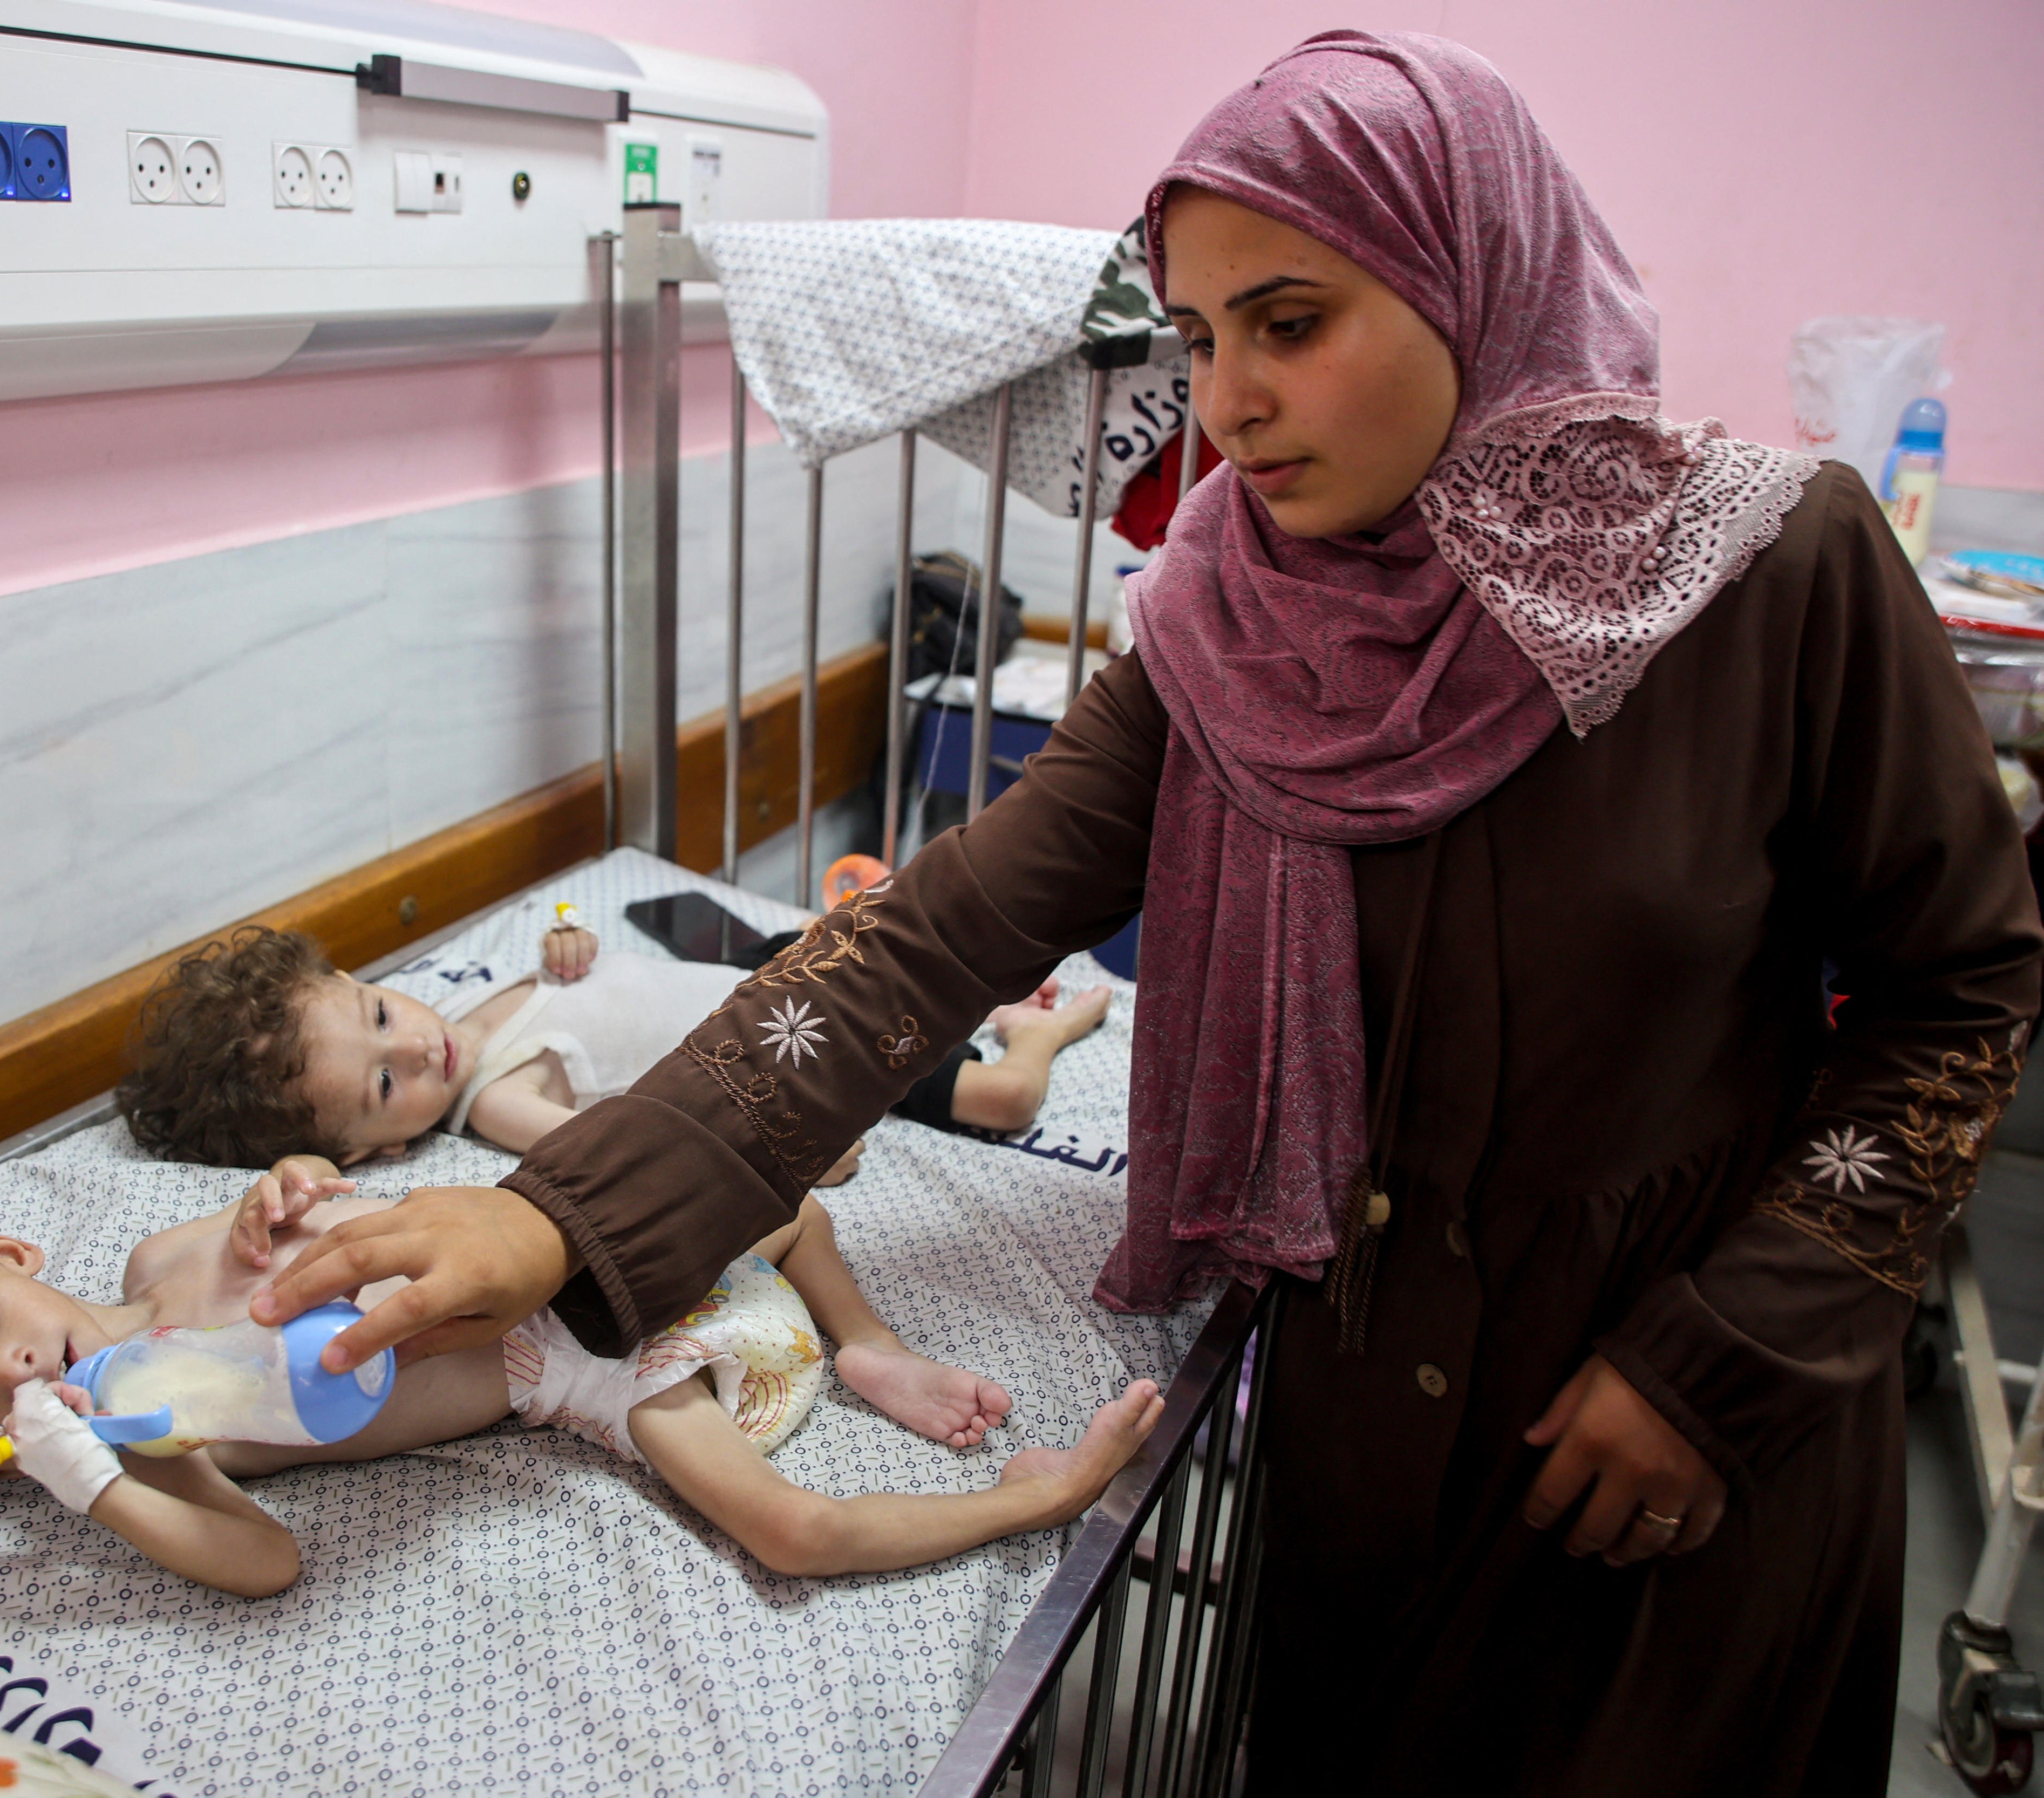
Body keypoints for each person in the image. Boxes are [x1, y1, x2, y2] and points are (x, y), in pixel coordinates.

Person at [250, 31, 2044, 1796]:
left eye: (1289, 322)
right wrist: (553, 1220)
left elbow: (1957, 992)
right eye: (1194, 339)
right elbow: (929, 937)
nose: (1226, 403)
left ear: (1470, 276)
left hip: (1673, 1433)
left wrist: (1723, 1357)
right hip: (1365, 1427)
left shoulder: (1768, 572)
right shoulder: (1227, 635)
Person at [0, 1172, 1163, 1599]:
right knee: (788, 1529)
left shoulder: (163, 1246)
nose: (10, 1371)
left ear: (2, 1246)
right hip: (561, 1364)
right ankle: (1030, 1495)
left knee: (778, 1199)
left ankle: (864, 1341)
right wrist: (84, 1470)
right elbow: (263, 1560)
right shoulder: (148, 1431)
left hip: (534, 1256)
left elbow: (307, 1218)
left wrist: (289, 1196)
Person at [113, 912, 1113, 1186]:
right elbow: (640, 1136)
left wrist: (566, 950)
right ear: (375, 1152)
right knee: (1002, 1100)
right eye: (384, 1085)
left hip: (768, 979)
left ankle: (983, 996)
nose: (419, 1048)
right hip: (795, 1048)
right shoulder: (496, 1104)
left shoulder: (472, 1006)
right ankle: (1044, 1029)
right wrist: (788, 1142)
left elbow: (593, 992)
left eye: (382, 1014)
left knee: (881, 933)